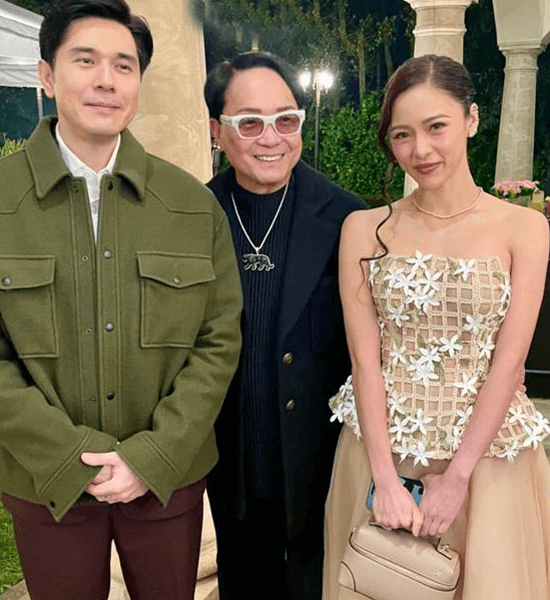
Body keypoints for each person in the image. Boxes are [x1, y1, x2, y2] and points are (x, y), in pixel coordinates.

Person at [0, 2, 242, 599]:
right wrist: (67, 456)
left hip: (166, 483)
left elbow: (218, 340)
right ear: (48, 75)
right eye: (85, 61)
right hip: (45, 483)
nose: (106, 80)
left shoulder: (191, 205)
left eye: (124, 65)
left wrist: (153, 456)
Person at [324, 54, 550, 600]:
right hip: (382, 452)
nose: (420, 150)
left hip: (489, 461)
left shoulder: (525, 227)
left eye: (436, 127)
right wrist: (384, 479)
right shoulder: (364, 229)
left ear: (471, 119)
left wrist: (457, 478)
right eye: (402, 135)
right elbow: (365, 362)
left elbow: (509, 364)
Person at [203, 52, 365, 600]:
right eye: (249, 122)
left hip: (318, 457)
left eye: (286, 119)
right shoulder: (194, 216)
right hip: (230, 456)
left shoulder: (346, 217)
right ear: (217, 131)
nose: (271, 138)